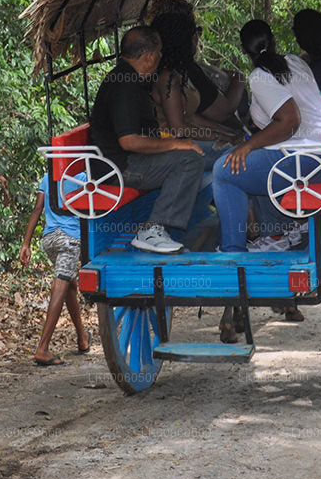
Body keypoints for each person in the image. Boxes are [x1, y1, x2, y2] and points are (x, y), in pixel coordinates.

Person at [213, 20, 321, 254]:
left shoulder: (259, 77)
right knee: (254, 159)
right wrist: (252, 145)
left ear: (242, 50)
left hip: (313, 157)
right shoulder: (295, 61)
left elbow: (290, 121)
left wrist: (248, 145)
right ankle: (277, 233)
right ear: (273, 40)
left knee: (223, 171)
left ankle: (232, 251)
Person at [89, 26, 206, 254]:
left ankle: (190, 218)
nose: (161, 58)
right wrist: (174, 143)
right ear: (149, 56)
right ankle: (152, 230)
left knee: (204, 153)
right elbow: (129, 142)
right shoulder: (125, 86)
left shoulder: (130, 78)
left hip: (131, 160)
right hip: (119, 168)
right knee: (189, 160)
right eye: (159, 53)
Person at [19, 173, 91, 366]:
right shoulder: (84, 176)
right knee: (61, 285)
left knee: (70, 286)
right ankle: (42, 348)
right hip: (70, 239)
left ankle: (82, 338)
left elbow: (37, 209)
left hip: (50, 239)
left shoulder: (48, 176)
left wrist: (26, 243)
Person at [151, 7, 243, 144]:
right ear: (184, 41)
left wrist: (227, 133)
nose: (197, 39)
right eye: (194, 35)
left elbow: (191, 118)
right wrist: (224, 138)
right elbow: (179, 128)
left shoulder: (177, 72)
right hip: (174, 143)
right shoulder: (167, 77)